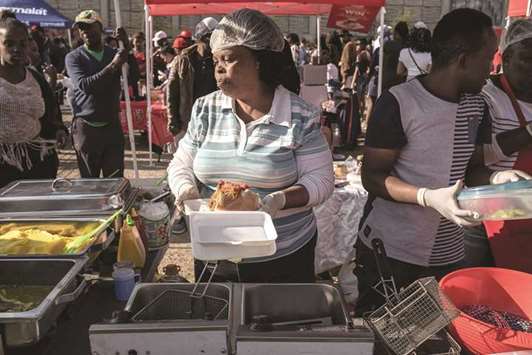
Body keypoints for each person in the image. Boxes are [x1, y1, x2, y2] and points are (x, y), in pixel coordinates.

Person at [354, 9, 529, 314]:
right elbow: (372, 176)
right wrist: (427, 197)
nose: (492, 67)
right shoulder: (398, 102)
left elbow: (472, 168)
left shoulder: (477, 105)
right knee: (386, 337)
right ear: (462, 60)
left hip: (448, 253)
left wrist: (497, 179)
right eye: (488, 58)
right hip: (391, 252)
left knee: (436, 337)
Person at [167, 9, 334, 283]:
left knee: (278, 324)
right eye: (216, 60)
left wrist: (278, 200)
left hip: (282, 254)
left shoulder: (299, 115)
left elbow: (321, 180)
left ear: (259, 60)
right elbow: (181, 162)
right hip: (215, 251)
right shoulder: (205, 108)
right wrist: (184, 188)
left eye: (229, 59)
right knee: (220, 320)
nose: (219, 67)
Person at [476, 18, 532, 273]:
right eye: (527, 58)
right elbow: (477, 157)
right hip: (489, 218)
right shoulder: (484, 96)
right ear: (506, 57)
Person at [0, 14, 66, 188]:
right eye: (9, 43)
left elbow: (50, 111)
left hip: (37, 165)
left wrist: (58, 129)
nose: (17, 49)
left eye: (22, 44)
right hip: (3, 169)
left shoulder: (35, 77)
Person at [65, 10, 129, 178]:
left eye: (89, 27)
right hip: (87, 130)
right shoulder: (74, 57)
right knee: (89, 184)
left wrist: (126, 46)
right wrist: (113, 65)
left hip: (111, 128)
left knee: (114, 181)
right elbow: (86, 85)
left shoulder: (112, 53)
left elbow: (133, 76)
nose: (85, 32)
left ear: (100, 28)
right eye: (81, 28)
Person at [166, 17, 219, 136]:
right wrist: (173, 121)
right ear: (202, 37)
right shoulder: (183, 60)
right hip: (188, 123)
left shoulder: (220, 60)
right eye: (212, 36)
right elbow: (172, 92)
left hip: (215, 122)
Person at [381, 21, 409, 92]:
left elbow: (382, 62)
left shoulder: (388, 45)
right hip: (401, 82)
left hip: (386, 80)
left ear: (396, 33)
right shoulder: (408, 48)